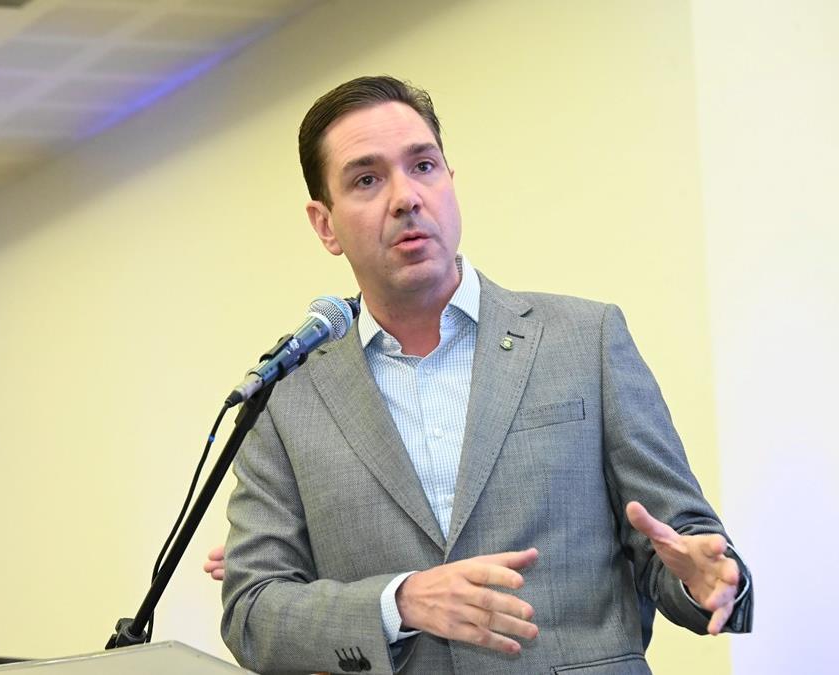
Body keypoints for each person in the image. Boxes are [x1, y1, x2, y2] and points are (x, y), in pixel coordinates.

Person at [214, 76, 752, 675]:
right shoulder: (283, 399)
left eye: (423, 166)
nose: (406, 197)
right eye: (367, 180)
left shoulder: (586, 339)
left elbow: (678, 538)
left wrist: (706, 579)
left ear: (450, 181)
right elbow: (252, 612)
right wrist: (399, 603)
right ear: (325, 225)